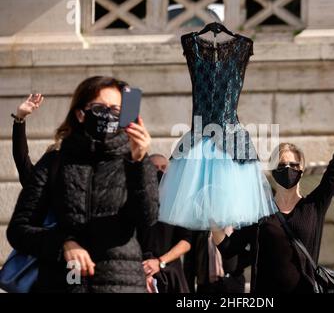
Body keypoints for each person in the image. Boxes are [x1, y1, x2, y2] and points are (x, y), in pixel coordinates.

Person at [7, 76, 159, 293]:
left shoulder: (135, 163)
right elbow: (18, 230)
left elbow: (148, 217)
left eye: (115, 109)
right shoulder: (55, 164)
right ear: (80, 114)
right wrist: (63, 243)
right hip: (64, 282)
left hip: (121, 284)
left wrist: (138, 162)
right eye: (99, 107)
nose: (108, 114)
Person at [211, 92, 334, 293]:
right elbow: (228, 249)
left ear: (302, 169)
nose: (288, 168)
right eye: (282, 164)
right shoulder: (259, 212)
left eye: (293, 164)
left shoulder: (313, 206)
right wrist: (210, 219)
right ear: (272, 170)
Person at [158, 29, 276, 230]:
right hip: (199, 135)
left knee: (229, 206)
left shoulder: (242, 47)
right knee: (196, 202)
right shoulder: (190, 44)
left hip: (229, 137)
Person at [142, 154, 192, 293]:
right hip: (138, 271)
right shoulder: (134, 200)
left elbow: (186, 241)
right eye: (154, 168)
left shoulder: (177, 203)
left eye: (163, 168)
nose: (159, 172)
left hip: (169, 273)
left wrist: (160, 262)